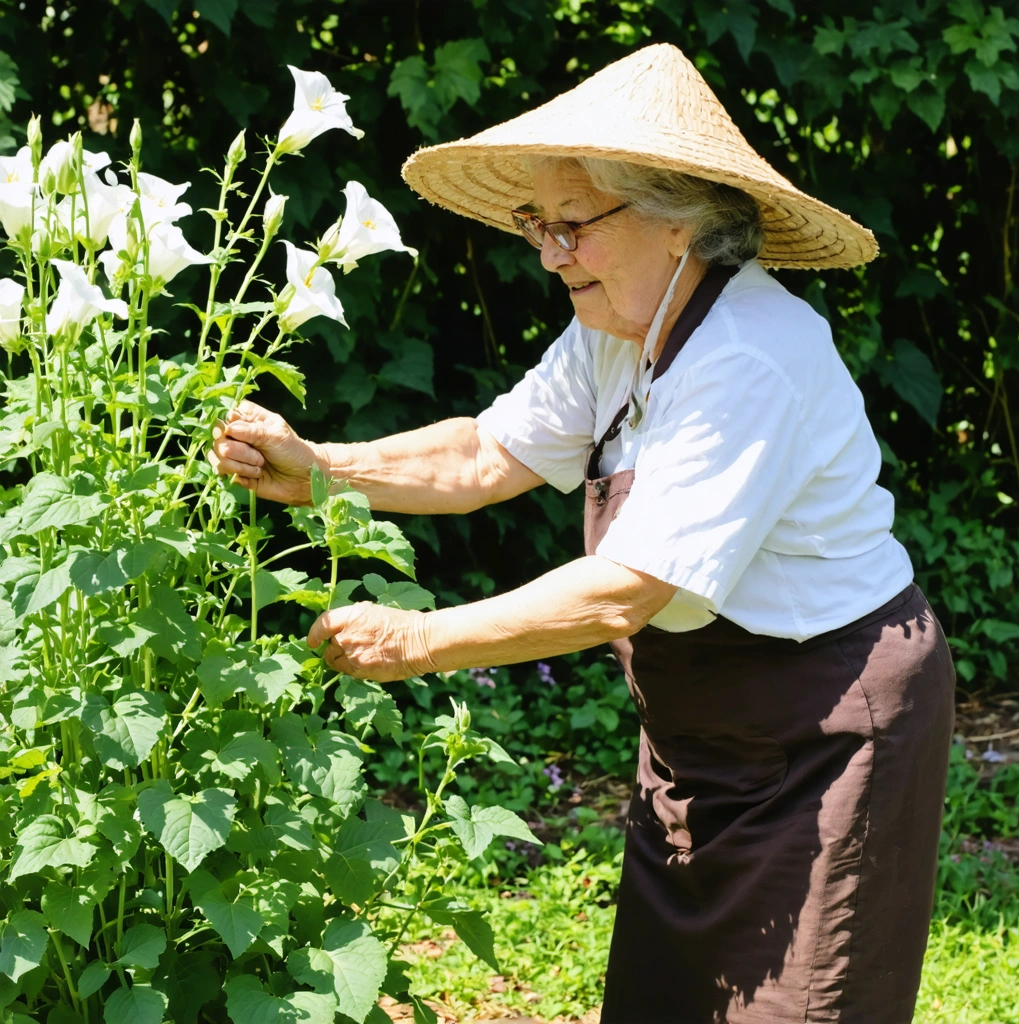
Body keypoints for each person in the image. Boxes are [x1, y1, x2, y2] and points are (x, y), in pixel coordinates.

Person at [210, 44, 955, 1024]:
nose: (550, 254)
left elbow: (623, 588)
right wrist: (319, 467)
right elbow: (483, 455)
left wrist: (418, 639)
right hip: (703, 743)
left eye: (573, 227)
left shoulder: (751, 355)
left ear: (677, 220)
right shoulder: (615, 328)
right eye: (537, 226)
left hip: (826, 733)